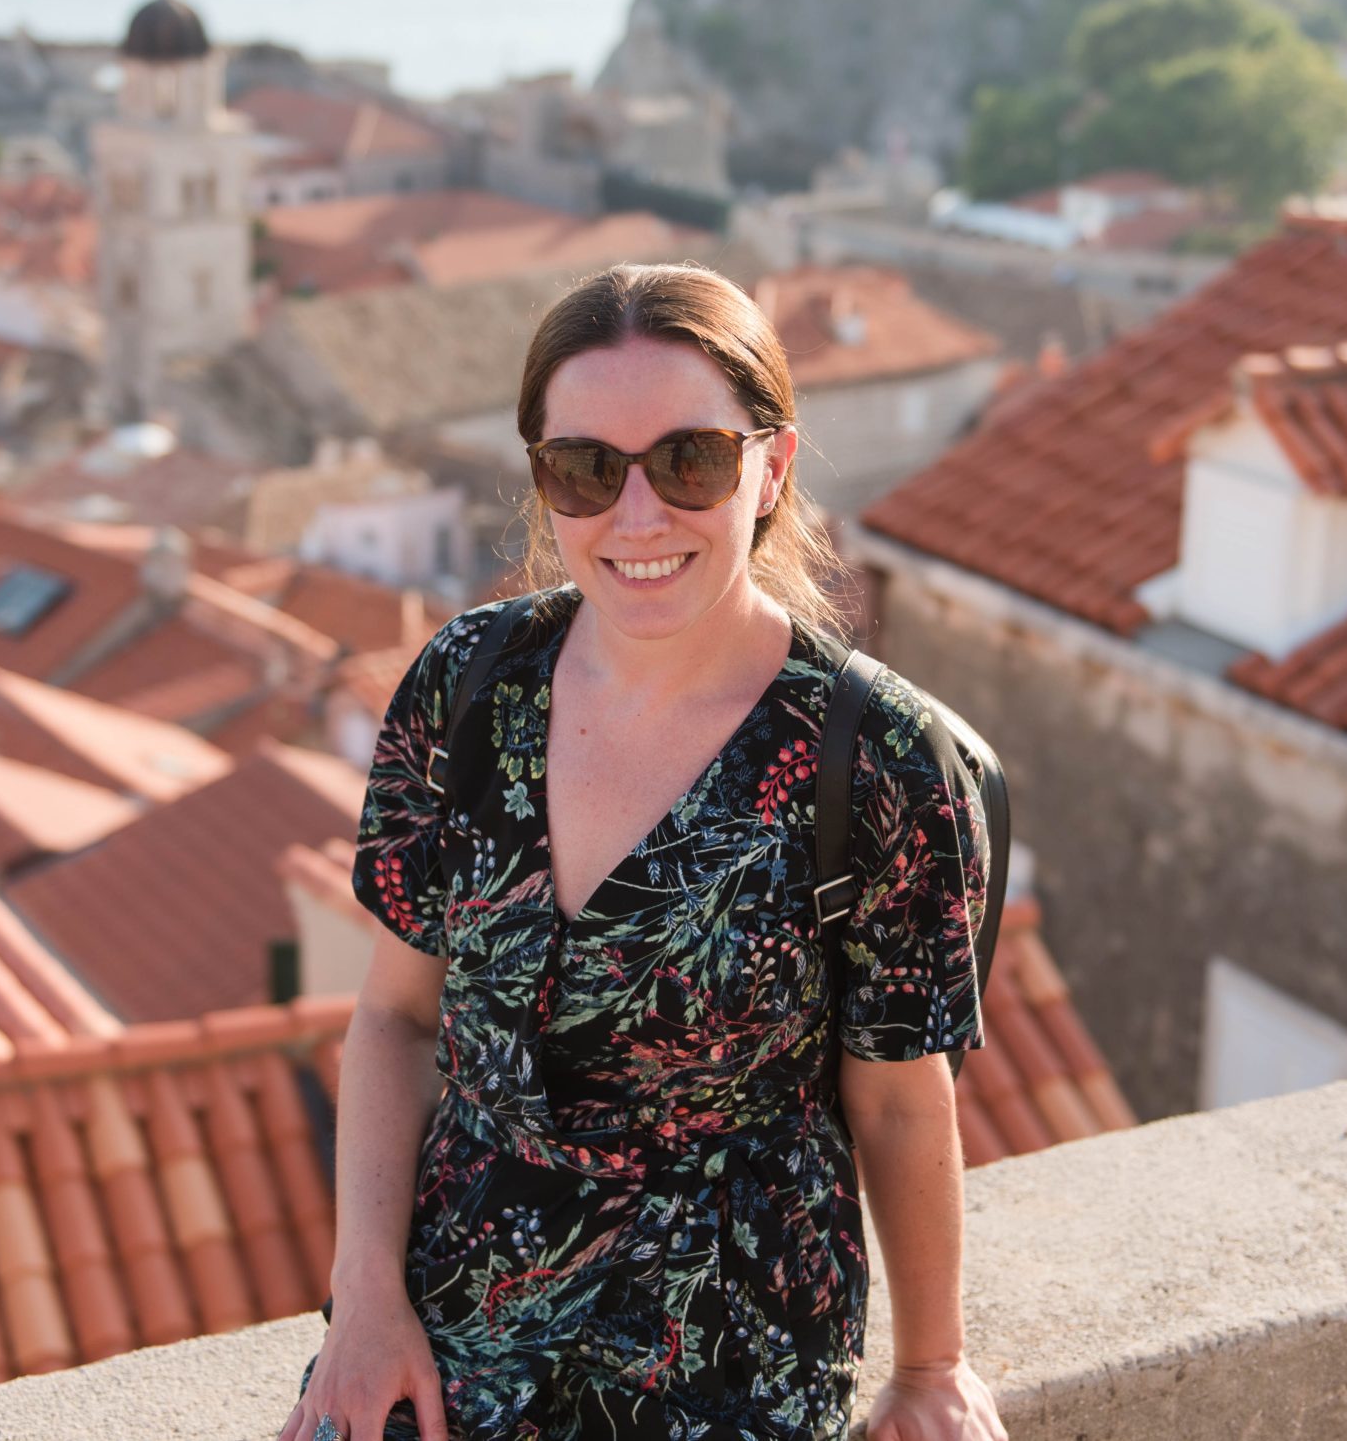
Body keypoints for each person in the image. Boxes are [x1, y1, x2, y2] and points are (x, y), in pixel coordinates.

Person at [280, 262, 1007, 1441]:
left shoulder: (875, 759)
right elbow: (397, 1017)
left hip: (731, 1354)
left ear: (769, 467)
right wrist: (363, 1296)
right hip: (457, 1319)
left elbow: (901, 1103)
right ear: (540, 481)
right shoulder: (466, 690)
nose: (635, 516)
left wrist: (933, 1367)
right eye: (583, 468)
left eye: (690, 460)